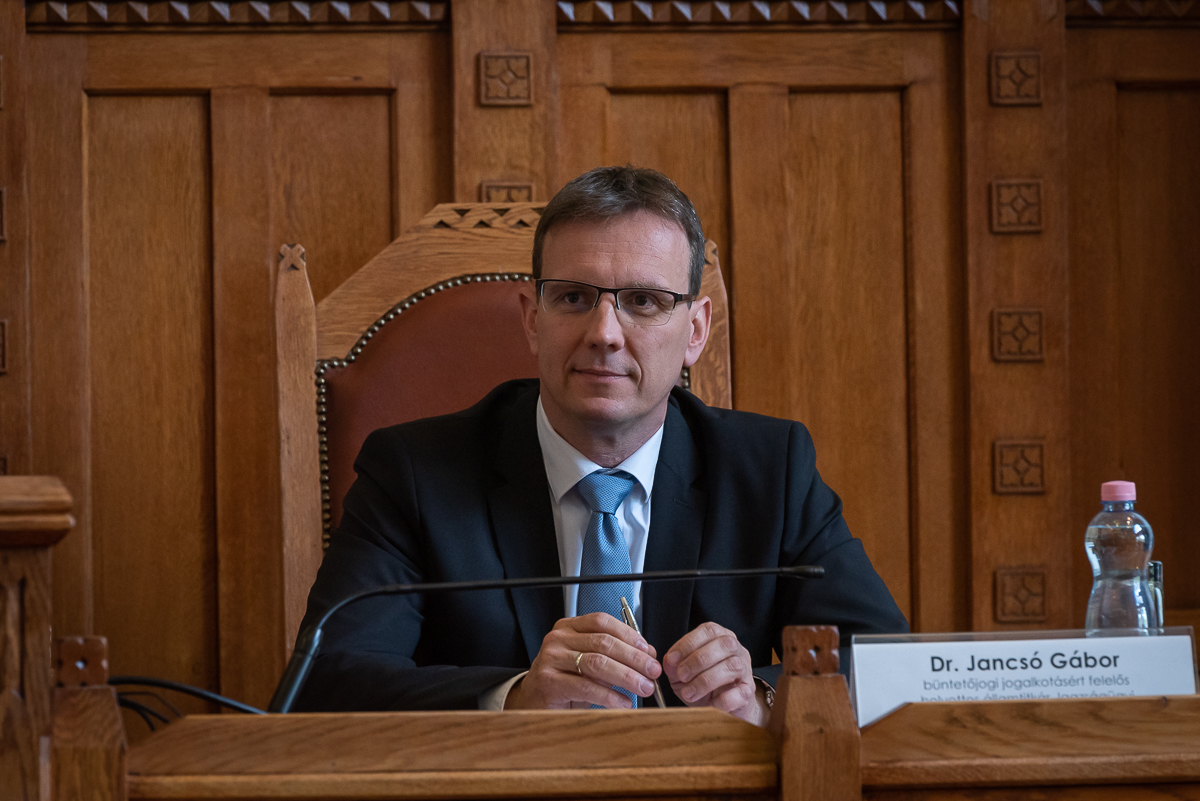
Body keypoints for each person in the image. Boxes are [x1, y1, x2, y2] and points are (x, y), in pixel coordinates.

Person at [293, 166, 908, 724]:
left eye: (643, 301)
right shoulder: (414, 473)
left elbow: (892, 669)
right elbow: (320, 688)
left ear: (695, 331)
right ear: (532, 319)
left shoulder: (771, 470)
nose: (605, 334)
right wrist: (511, 698)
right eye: (574, 298)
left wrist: (763, 700)